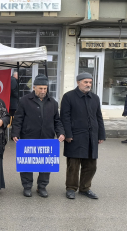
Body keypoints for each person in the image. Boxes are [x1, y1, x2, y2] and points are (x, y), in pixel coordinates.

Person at [11, 74, 65, 198]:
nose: (43, 91)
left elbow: (57, 120)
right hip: (28, 136)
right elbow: (18, 118)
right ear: (34, 87)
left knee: (46, 164)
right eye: (40, 88)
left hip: (47, 137)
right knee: (27, 163)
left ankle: (42, 187)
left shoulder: (53, 102)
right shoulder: (24, 100)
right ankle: (27, 187)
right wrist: (15, 133)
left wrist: (61, 133)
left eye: (45, 88)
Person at [60, 72, 105, 200]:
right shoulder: (68, 97)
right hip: (75, 136)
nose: (88, 85)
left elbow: (98, 117)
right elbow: (65, 117)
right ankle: (71, 188)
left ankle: (85, 188)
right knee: (73, 165)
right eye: (85, 82)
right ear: (78, 82)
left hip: (91, 136)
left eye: (90, 82)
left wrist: (101, 134)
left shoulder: (95, 98)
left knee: (91, 165)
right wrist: (67, 134)